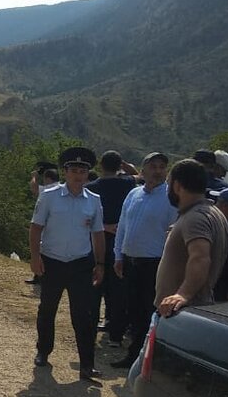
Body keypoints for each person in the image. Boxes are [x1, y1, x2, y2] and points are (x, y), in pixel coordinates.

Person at [116, 158, 228, 397]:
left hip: (176, 316)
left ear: (177, 185)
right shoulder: (209, 213)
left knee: (145, 380)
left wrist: (182, 294)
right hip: (184, 313)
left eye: (169, 183)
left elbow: (200, 258)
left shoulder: (195, 218)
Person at [29, 147, 104, 380]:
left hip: (81, 264)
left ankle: (86, 365)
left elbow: (98, 234)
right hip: (52, 261)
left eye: (83, 170)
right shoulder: (49, 196)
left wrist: (100, 263)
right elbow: (36, 228)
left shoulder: (93, 201)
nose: (78, 175)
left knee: (84, 314)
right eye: (74, 170)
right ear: (65, 171)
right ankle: (43, 350)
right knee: (47, 309)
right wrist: (35, 256)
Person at [109, 152, 178, 369]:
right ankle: (134, 356)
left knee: (150, 312)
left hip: (155, 264)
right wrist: (118, 255)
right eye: (153, 166)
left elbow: (174, 234)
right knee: (133, 311)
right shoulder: (134, 194)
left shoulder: (170, 198)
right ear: (143, 169)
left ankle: (147, 359)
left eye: (162, 167)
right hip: (130, 262)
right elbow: (122, 226)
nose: (158, 171)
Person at [86, 150, 137, 346]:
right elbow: (137, 174)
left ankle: (90, 329)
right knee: (118, 291)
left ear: (100, 165)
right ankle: (116, 335)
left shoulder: (91, 188)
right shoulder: (128, 184)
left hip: (96, 242)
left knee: (94, 288)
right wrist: (124, 164)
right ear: (119, 166)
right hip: (120, 244)